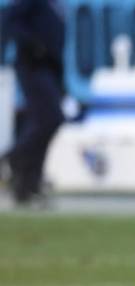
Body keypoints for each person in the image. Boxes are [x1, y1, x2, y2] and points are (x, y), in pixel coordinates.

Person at [1, 0, 65, 206]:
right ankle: (15, 157)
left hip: (50, 68)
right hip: (34, 66)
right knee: (48, 119)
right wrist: (32, 45)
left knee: (44, 122)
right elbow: (10, 19)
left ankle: (27, 185)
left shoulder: (56, 5)